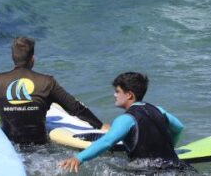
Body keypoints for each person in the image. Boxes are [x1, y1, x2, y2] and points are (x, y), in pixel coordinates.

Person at [0, 37, 104, 145]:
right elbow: (75, 108)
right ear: (32, 59)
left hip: (10, 147)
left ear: (12, 57)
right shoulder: (47, 82)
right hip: (41, 148)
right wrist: (100, 125)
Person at [59, 72, 187, 173]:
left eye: (117, 91)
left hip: (148, 171)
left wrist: (79, 158)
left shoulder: (126, 119)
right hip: (177, 167)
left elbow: (107, 141)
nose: (114, 95)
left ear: (129, 95)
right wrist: (171, 148)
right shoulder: (159, 110)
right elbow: (179, 127)